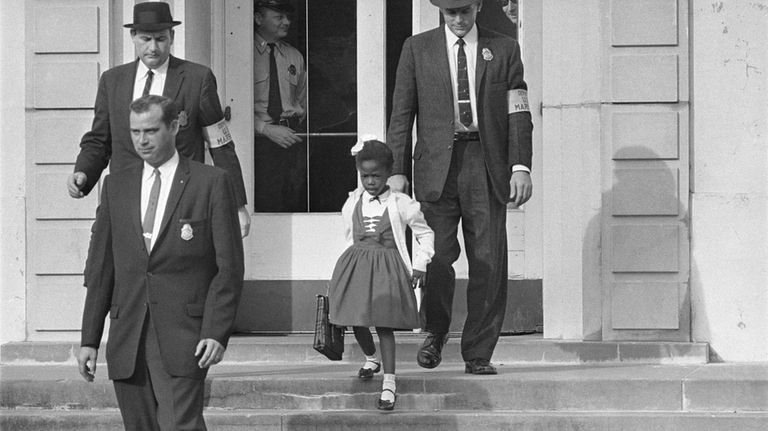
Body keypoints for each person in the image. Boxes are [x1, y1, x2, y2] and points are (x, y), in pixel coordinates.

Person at [77, 95, 244, 430]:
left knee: (181, 425)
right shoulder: (116, 185)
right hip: (128, 335)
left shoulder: (210, 183)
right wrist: (89, 339)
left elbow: (229, 268)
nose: (142, 140)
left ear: (174, 126)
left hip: (186, 335)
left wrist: (215, 331)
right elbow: (102, 268)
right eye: (135, 132)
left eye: (151, 130)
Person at [386, 0, 533, 375]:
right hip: (437, 168)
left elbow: (518, 112)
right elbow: (402, 114)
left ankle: (478, 351)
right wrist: (397, 170)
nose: (458, 19)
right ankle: (435, 332)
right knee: (436, 256)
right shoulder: (417, 49)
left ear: (478, 6)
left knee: (488, 259)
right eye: (450, 13)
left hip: (486, 164)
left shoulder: (504, 48)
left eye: (464, 11)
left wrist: (520, 166)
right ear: (440, 12)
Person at [67, 2, 251, 237]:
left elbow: (220, 144)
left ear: (172, 36)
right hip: (125, 200)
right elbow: (99, 140)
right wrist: (83, 172)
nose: (153, 48)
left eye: (161, 39)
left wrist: (237, 205)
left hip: (180, 202)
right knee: (101, 270)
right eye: (145, 39)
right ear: (133, 36)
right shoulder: (112, 81)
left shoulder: (197, 79)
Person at [328, 138, 434, 410]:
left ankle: (389, 381)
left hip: (387, 268)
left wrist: (421, 263)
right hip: (357, 265)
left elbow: (425, 233)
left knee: (384, 324)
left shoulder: (401, 203)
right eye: (365, 176)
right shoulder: (353, 201)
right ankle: (371, 357)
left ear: (389, 174)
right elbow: (349, 234)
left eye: (376, 175)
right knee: (356, 319)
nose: (371, 181)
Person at [253, 0, 308, 212]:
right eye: (279, 16)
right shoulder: (242, 56)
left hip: (292, 140)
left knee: (294, 202)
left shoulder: (294, 56)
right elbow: (233, 108)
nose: (286, 22)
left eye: (287, 17)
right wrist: (265, 129)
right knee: (267, 205)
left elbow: (301, 100)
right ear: (258, 18)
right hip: (259, 143)